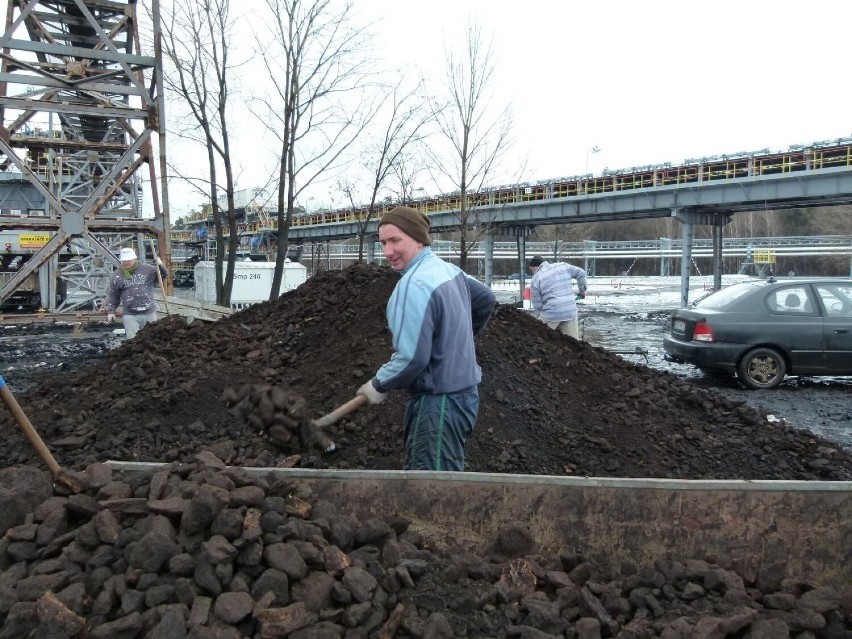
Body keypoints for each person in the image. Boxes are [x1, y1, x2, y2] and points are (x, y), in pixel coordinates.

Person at [356, 206, 496, 471]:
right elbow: (486, 299)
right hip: (466, 397)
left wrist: (378, 384)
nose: (387, 252)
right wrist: (452, 342)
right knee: (444, 478)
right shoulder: (447, 270)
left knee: (430, 489)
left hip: (439, 403)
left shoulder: (414, 284)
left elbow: (411, 359)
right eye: (384, 242)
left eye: (396, 240)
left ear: (418, 239)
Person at [105, 247, 168, 339]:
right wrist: (111, 311)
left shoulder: (148, 269)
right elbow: (113, 295)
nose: (126, 263)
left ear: (135, 259)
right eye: (124, 261)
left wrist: (161, 265)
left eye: (129, 260)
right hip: (130, 314)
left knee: (152, 339)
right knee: (132, 341)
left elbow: (163, 275)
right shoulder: (117, 275)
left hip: (149, 312)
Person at [528, 255, 588, 339]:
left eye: (531, 269)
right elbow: (581, 273)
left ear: (535, 267)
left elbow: (537, 304)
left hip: (551, 314)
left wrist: (539, 320)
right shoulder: (563, 266)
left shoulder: (536, 278)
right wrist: (582, 291)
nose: (532, 272)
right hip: (569, 311)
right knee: (573, 343)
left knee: (538, 339)